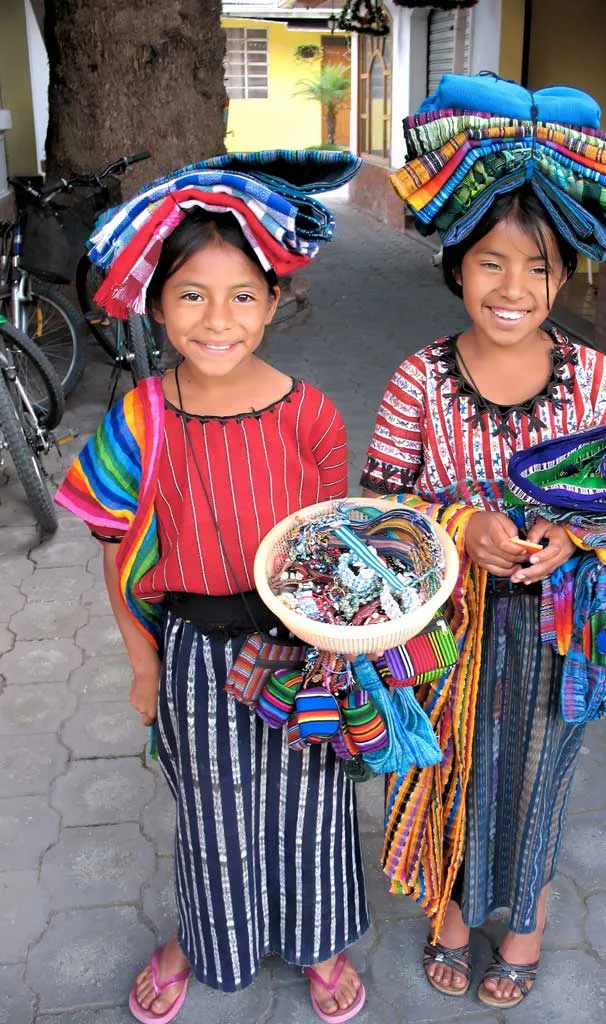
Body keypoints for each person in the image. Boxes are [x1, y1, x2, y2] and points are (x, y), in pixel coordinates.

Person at [56, 159, 368, 1024]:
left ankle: (317, 941)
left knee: (312, 804)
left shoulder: (310, 415)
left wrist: (349, 650)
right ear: (157, 306)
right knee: (213, 817)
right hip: (193, 654)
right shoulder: (139, 420)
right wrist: (142, 664)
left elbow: (332, 550)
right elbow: (115, 550)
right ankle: (204, 941)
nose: (217, 319)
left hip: (305, 651)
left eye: (241, 296)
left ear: (273, 303)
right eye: (191, 295)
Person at [361, 184, 606, 1008]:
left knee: (537, 774)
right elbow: (381, 505)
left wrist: (581, 533)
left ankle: (524, 925)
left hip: (562, 632)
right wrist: (459, 525)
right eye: (491, 263)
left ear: (564, 280)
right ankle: (452, 916)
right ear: (457, 267)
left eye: (538, 267)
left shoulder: (595, 379)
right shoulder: (419, 379)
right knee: (450, 769)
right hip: (450, 632)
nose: (513, 287)